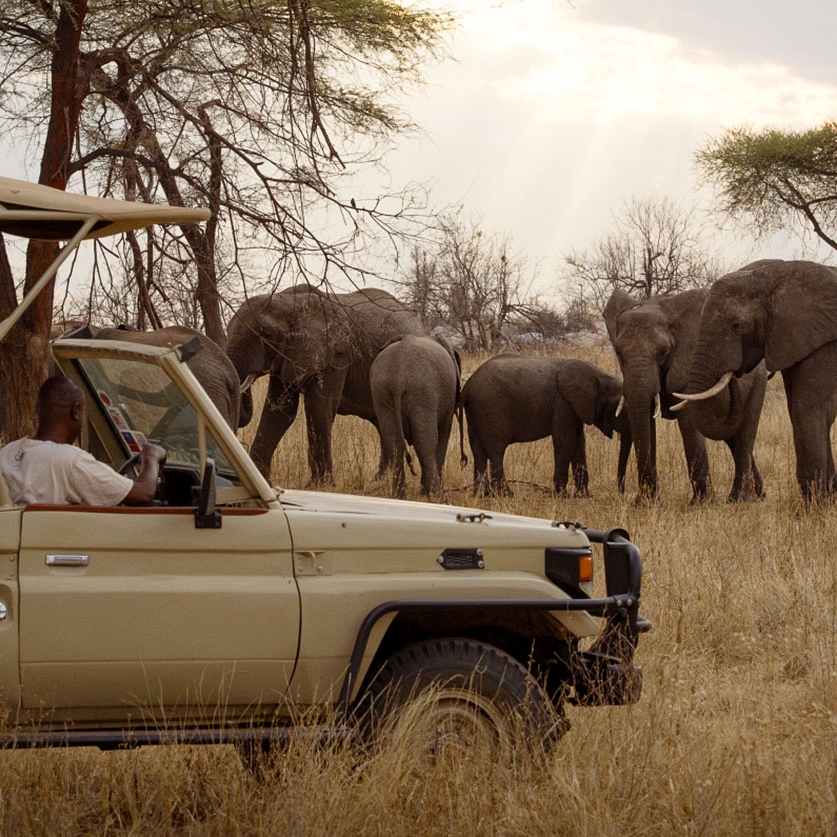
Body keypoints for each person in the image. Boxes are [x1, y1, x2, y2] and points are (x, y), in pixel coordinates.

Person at [0, 376, 166, 506]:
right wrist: (152, 457)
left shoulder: (8, 451)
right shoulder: (71, 461)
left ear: (38, 409)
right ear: (76, 412)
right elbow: (143, 494)